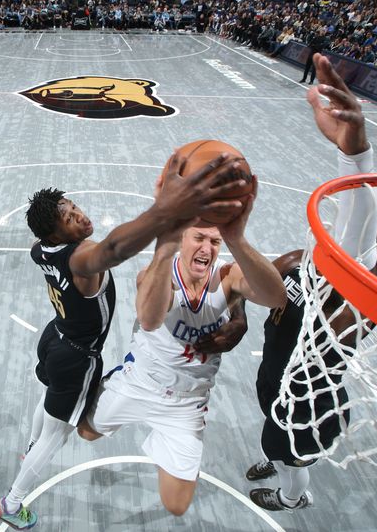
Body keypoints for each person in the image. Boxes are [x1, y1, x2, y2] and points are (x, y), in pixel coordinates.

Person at [0, 155, 249, 529]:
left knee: (49, 406)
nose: (79, 216)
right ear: (56, 235)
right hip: (77, 356)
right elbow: (113, 249)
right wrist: (164, 213)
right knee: (57, 434)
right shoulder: (81, 259)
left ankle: (31, 446)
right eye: (68, 218)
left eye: (74, 207)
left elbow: (84, 244)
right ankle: (11, 503)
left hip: (54, 337)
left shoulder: (40, 251)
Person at [245, 54, 377, 512]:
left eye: (370, 240)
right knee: (272, 430)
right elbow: (291, 265)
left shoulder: (365, 302)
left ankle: (292, 495)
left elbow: (354, 244)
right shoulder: (317, 265)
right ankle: (281, 462)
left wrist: (357, 157)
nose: (352, 240)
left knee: (285, 447)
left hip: (308, 394)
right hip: (276, 369)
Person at [77, 165, 286, 516]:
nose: (206, 247)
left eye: (214, 241)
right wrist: (165, 244)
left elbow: (276, 297)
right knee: (86, 434)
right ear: (183, 238)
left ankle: (163, 439)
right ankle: (116, 390)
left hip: (186, 404)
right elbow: (149, 317)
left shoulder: (228, 277)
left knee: (176, 505)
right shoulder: (158, 275)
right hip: (141, 382)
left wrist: (237, 238)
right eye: (199, 238)